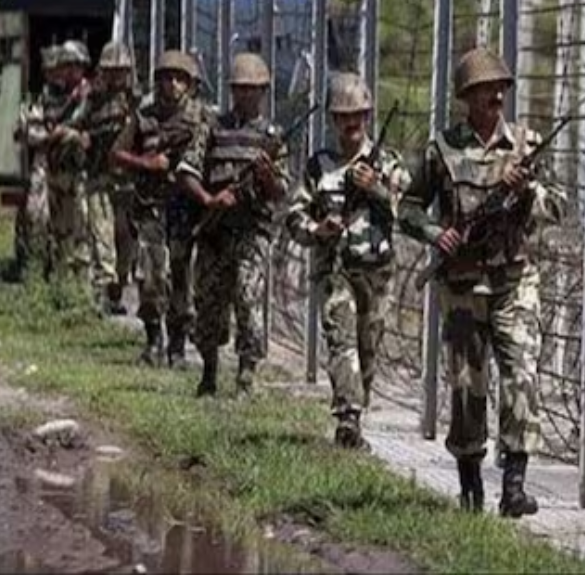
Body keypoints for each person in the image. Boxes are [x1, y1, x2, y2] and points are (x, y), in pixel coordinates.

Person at [398, 47, 567, 517]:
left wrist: (527, 191)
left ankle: (514, 485)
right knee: (468, 386)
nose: (496, 96)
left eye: (500, 89)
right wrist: (438, 233)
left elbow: (560, 208)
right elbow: (407, 209)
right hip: (463, 286)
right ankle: (470, 483)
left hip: (515, 280)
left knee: (522, 376)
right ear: (467, 97)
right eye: (485, 90)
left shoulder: (526, 147)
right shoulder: (443, 149)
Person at [286, 73, 409, 449]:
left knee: (368, 349)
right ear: (333, 120)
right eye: (343, 116)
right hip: (335, 269)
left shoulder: (388, 163)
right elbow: (294, 215)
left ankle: (356, 413)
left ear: (368, 116)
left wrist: (374, 187)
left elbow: (407, 213)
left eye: (357, 115)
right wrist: (317, 228)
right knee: (342, 342)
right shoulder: (319, 166)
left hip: (376, 271)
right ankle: (347, 420)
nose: (350, 123)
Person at [178, 53, 290, 398]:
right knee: (209, 303)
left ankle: (246, 377)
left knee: (248, 299)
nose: (245, 96)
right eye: (239, 89)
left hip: (251, 232)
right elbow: (187, 172)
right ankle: (209, 374)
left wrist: (267, 176)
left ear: (264, 92)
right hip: (214, 232)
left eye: (252, 90)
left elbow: (281, 192)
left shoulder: (272, 137)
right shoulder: (213, 128)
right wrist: (210, 201)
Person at [111, 50, 212, 366]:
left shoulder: (202, 119)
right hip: (151, 208)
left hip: (186, 209)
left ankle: (178, 346)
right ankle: (154, 340)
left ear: (191, 84)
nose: (171, 84)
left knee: (181, 276)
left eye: (178, 78)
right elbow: (116, 153)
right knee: (152, 277)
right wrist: (147, 163)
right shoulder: (145, 117)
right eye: (165, 77)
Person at [74, 40, 136, 314]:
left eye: (120, 71)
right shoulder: (93, 100)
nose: (115, 76)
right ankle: (103, 297)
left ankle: (116, 292)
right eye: (111, 71)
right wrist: (82, 138)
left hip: (130, 185)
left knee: (126, 246)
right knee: (102, 239)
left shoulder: (137, 101)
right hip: (100, 179)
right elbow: (75, 125)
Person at [41, 39, 94, 283]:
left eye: (74, 66)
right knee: (58, 231)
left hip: (78, 172)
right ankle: (61, 284)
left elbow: (90, 129)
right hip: (56, 172)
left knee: (81, 231)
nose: (69, 71)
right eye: (65, 66)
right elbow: (45, 126)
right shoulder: (52, 95)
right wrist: (63, 132)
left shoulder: (90, 95)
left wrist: (67, 132)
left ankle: (82, 286)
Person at [14, 45, 61, 274]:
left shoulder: (75, 97)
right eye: (49, 69)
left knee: (66, 220)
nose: (53, 73)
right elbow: (23, 131)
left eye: (56, 68)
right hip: (42, 164)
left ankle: (58, 266)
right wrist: (48, 137)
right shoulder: (36, 100)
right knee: (34, 214)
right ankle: (34, 264)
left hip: (65, 164)